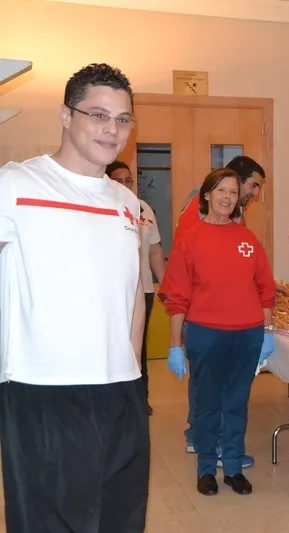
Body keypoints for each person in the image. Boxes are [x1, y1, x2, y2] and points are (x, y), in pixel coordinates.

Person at [0, 63, 149, 532]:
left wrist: (133, 368)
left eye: (123, 118)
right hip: (44, 391)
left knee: (120, 520)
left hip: (121, 390)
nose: (112, 129)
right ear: (66, 115)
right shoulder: (16, 185)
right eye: (98, 114)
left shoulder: (127, 203)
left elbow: (133, 292)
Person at [160, 168, 276, 496]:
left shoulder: (247, 239)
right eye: (221, 191)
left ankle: (234, 468)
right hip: (205, 334)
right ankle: (207, 469)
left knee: (237, 403)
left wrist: (266, 330)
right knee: (208, 406)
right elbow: (178, 296)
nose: (227, 197)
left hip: (247, 335)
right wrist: (174, 344)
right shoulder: (190, 239)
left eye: (233, 192)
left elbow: (265, 288)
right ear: (207, 195)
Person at [108, 160, 166, 415]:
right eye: (118, 181)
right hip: (112, 291)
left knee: (138, 346)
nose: (125, 185)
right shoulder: (103, 207)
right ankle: (113, 399)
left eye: (128, 180)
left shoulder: (143, 210)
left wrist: (165, 283)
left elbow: (154, 252)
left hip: (143, 290)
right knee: (113, 345)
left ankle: (140, 399)